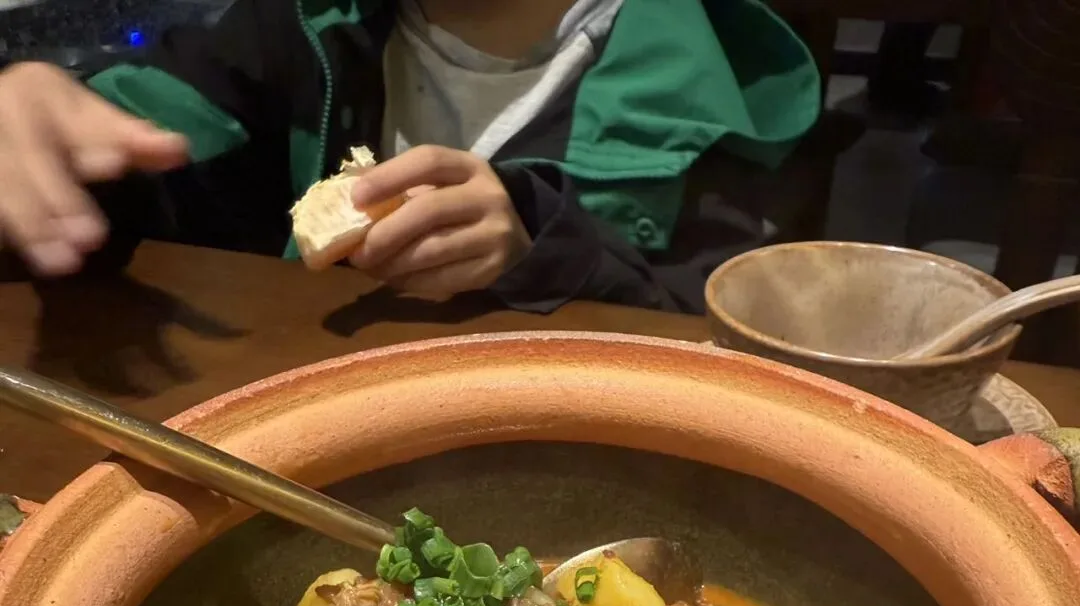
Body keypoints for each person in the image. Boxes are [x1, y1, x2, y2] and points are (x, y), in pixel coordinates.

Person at [0, 0, 820, 313]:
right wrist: (41, 134)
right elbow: (149, 146)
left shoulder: (718, 83)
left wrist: (540, 242)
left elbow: (719, 341)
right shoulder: (307, 25)